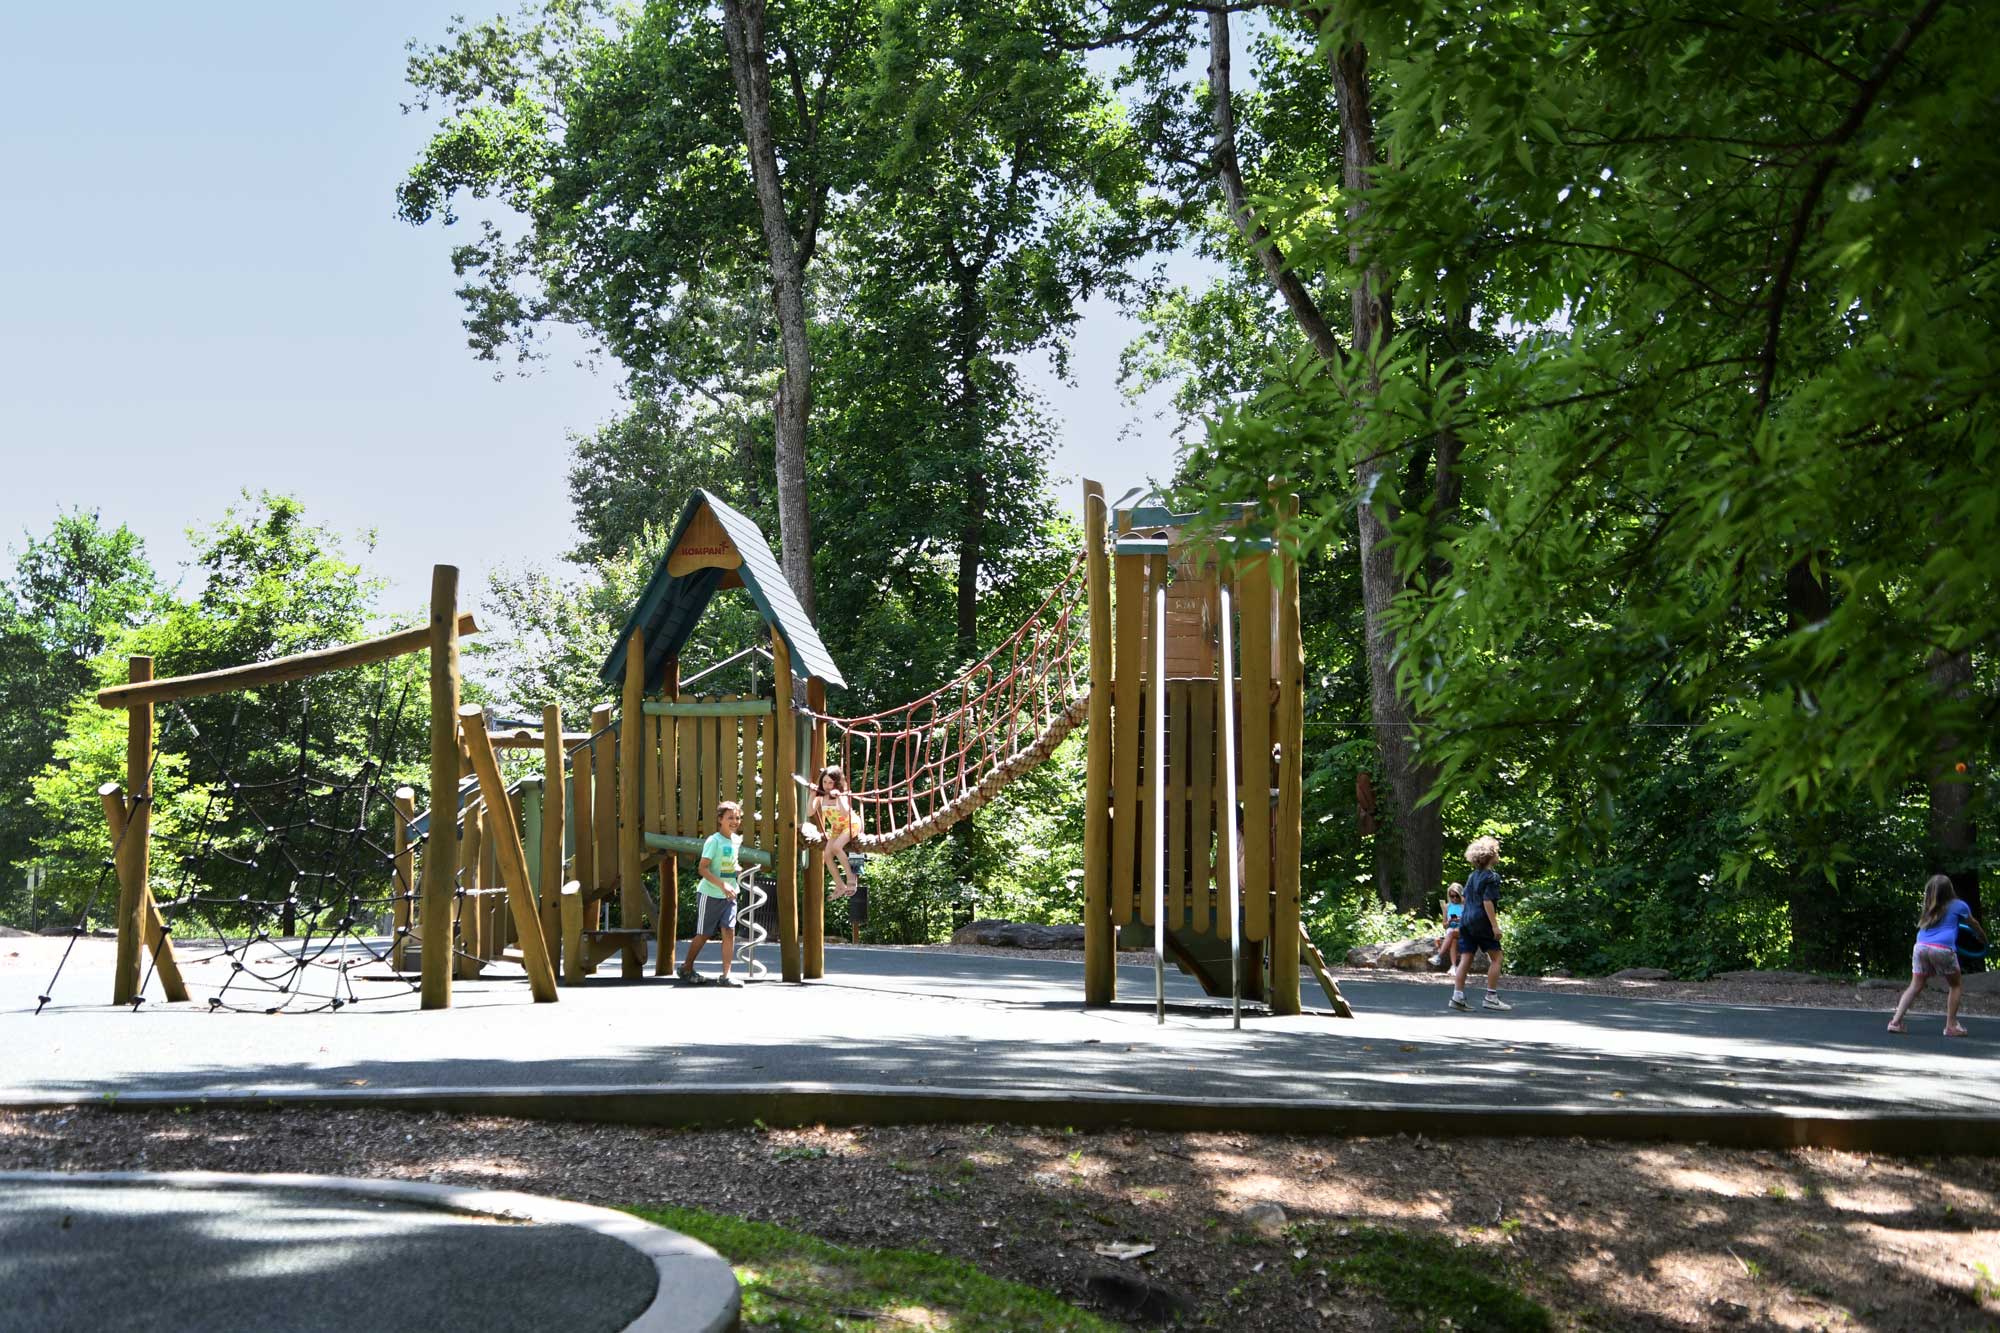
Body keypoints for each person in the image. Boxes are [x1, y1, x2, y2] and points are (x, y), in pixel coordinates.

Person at [1887, 874, 1986, 1037]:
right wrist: (1982, 937)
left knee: (1915, 985)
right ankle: (1951, 1026)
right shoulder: (1959, 905)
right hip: (1942, 949)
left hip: (1920, 947)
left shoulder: (1928, 906)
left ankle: (1895, 1022)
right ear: (1950, 890)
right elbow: (1973, 924)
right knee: (1955, 985)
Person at [679, 801, 745, 987]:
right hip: (710, 895)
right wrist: (723, 885)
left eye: (737, 817)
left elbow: (731, 862)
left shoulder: (736, 840)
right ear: (720, 819)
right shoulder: (713, 841)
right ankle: (686, 967)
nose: (734, 821)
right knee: (704, 933)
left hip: (730, 895)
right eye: (730, 817)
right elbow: (703, 869)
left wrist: (737, 869)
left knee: (729, 931)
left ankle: (726, 975)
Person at [1450, 837, 1510, 1012]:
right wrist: (1495, 926)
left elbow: (1466, 898)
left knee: (1466, 958)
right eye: (1496, 852)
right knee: (1497, 958)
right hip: (1481, 922)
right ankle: (1491, 997)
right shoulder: (1492, 877)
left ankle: (1458, 996)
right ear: (1491, 856)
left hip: (1466, 921)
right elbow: (1488, 902)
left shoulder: (1472, 876)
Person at [808, 766, 861, 899]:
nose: (827, 786)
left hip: (851, 824)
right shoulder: (821, 797)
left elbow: (845, 813)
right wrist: (812, 795)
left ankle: (851, 877)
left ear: (836, 783)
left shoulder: (841, 794)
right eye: (824, 782)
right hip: (837, 828)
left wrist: (839, 797)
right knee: (826, 856)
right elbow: (810, 812)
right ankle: (840, 885)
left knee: (837, 847)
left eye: (830, 783)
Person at [1428, 883, 1465, 970]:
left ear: (1461, 895)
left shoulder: (1465, 905)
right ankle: (1453, 967)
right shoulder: (1447, 907)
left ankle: (1439, 956)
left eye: (1457, 896)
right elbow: (1444, 925)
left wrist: (1461, 920)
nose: (1455, 898)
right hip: (1452, 931)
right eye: (1452, 896)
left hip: (1463, 930)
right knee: (1453, 940)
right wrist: (1449, 921)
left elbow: (1470, 920)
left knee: (1452, 933)